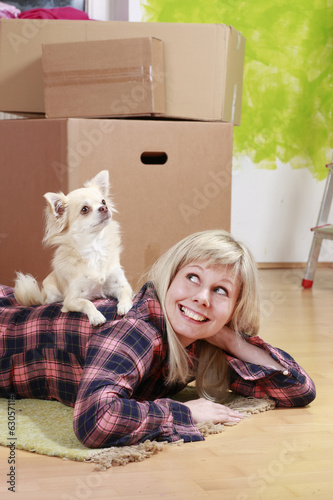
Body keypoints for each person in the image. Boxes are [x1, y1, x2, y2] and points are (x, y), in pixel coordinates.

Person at [0, 230, 316, 448]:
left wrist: (230, 339)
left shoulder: (201, 341)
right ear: (170, 277)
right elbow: (96, 421)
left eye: (221, 291)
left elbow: (298, 389)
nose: (202, 298)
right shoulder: (136, 329)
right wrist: (187, 413)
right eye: (193, 277)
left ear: (235, 307)